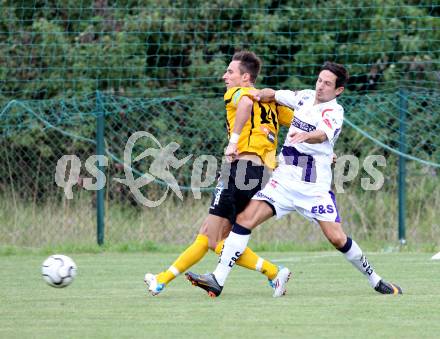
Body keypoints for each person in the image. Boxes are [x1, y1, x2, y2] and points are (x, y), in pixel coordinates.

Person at [186, 61, 403, 297]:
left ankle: (375, 280)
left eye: (328, 84)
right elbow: (275, 94)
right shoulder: (305, 97)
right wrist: (258, 95)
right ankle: (218, 279)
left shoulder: (334, 112)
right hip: (283, 182)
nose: (321, 86)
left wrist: (306, 136)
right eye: (320, 80)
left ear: (338, 90)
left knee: (337, 238)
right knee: (244, 220)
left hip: (312, 189)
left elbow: (321, 135)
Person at [144, 51, 294, 297]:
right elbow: (299, 120)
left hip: (243, 169)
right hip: (260, 172)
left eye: (230, 72)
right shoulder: (272, 101)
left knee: (215, 239)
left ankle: (273, 272)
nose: (225, 76)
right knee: (208, 234)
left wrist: (232, 142)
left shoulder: (237, 93)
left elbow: (246, 104)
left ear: (245, 78)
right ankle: (161, 280)